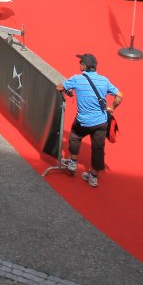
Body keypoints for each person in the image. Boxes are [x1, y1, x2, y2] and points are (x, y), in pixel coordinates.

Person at [61, 53, 122, 188]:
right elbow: (119, 95)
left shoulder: (77, 79)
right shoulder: (104, 80)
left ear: (84, 66)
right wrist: (112, 107)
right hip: (101, 122)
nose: (79, 65)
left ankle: (73, 162)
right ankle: (93, 177)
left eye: (80, 63)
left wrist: (69, 90)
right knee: (98, 148)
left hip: (83, 121)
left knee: (75, 137)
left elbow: (59, 87)